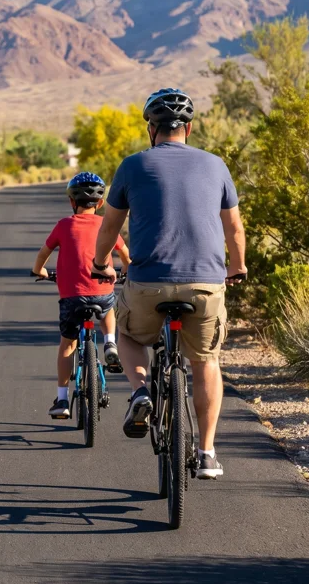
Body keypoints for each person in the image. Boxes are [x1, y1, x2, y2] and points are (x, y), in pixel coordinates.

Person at [91, 88, 247, 480]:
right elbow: (234, 228)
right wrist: (238, 267)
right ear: (189, 128)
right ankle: (208, 452)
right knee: (205, 360)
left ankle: (141, 390)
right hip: (205, 285)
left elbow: (110, 224)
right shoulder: (216, 165)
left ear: (151, 129)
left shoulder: (131, 165)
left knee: (126, 335)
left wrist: (99, 263)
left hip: (147, 283)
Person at [31, 172, 132, 420]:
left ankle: (63, 399)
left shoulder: (64, 225)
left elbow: (43, 253)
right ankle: (109, 342)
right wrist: (125, 272)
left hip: (72, 298)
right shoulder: (105, 225)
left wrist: (39, 270)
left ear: (71, 202)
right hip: (101, 293)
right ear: (99, 204)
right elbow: (125, 254)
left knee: (67, 344)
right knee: (108, 306)